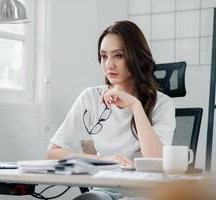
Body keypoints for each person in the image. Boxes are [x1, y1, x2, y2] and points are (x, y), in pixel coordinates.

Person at [46, 20, 175, 200]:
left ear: (136, 57)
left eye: (118, 56)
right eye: (104, 56)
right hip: (104, 191)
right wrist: (102, 160)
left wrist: (135, 105)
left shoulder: (163, 104)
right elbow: (53, 153)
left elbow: (156, 159)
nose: (109, 65)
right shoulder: (90, 98)